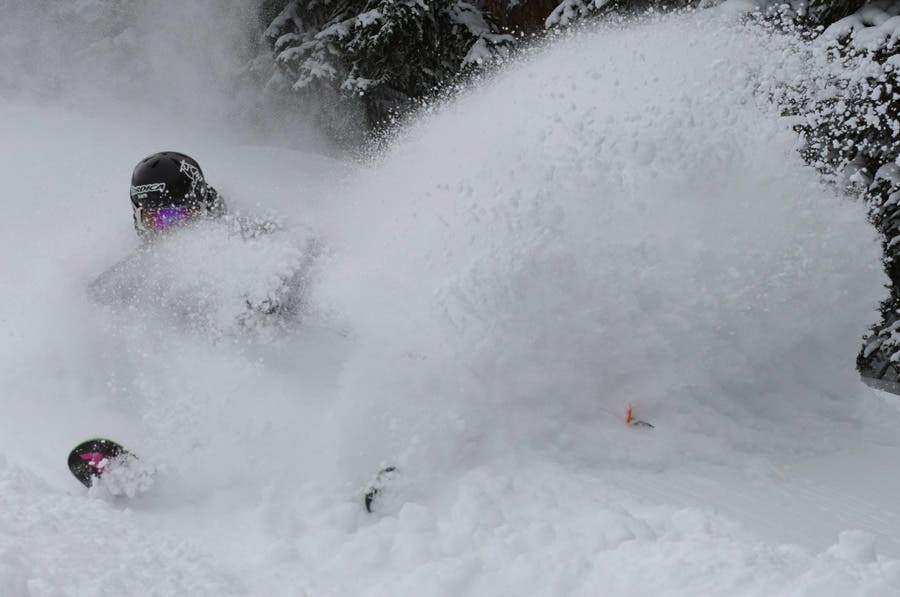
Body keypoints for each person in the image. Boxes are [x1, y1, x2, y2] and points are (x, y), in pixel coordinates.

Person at [129, 151, 226, 238]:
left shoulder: (233, 250)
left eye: (172, 216)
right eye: (150, 220)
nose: (164, 232)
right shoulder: (143, 256)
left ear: (202, 211)